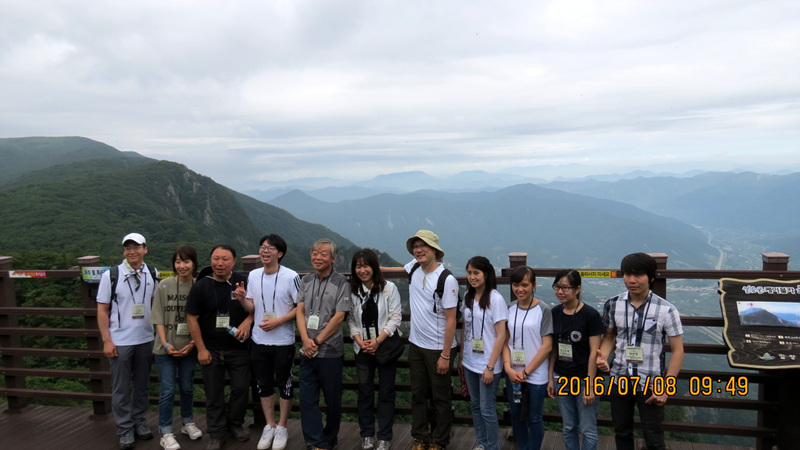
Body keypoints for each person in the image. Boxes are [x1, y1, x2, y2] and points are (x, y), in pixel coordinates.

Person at [596, 253, 684, 450]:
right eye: (627, 274)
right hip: (619, 378)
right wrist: (603, 356)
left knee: (653, 436)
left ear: (651, 277)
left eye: (638, 275)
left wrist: (667, 388)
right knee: (621, 432)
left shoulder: (667, 310)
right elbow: (609, 336)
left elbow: (678, 351)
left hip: (651, 382)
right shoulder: (613, 304)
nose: (632, 280)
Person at [186, 245, 254, 450]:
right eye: (216, 258)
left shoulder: (243, 281)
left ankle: (235, 423)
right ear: (210, 260)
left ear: (233, 262)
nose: (220, 263)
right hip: (211, 348)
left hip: (238, 347)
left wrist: (248, 320)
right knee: (213, 392)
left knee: (241, 388)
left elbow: (257, 307)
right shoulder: (201, 286)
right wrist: (201, 349)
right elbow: (191, 318)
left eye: (225, 259)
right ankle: (216, 432)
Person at [96, 232, 157, 449]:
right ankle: (125, 428)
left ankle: (139, 421)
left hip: (145, 338)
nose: (132, 251)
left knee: (142, 385)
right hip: (120, 340)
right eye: (128, 248)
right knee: (121, 388)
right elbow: (102, 309)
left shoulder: (152, 273)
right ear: (124, 251)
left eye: (136, 247)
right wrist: (107, 341)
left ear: (144, 249)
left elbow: (153, 303)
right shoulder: (111, 275)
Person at [241, 234, 301, 450]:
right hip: (259, 340)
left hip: (283, 341)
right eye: (262, 247)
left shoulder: (291, 276)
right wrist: (241, 299)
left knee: (285, 384)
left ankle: (282, 426)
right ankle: (269, 425)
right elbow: (252, 307)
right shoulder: (253, 275)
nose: (265, 251)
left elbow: (301, 307)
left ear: (280, 253)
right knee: (263, 384)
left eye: (270, 248)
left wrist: (279, 321)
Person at [404, 229, 459, 450]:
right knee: (417, 393)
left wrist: (446, 355)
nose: (418, 250)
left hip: (438, 348)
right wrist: (367, 268)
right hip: (416, 344)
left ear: (435, 250)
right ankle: (419, 437)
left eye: (423, 246)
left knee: (440, 397)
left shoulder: (447, 279)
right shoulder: (414, 268)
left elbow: (452, 319)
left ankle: (439, 440)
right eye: (415, 247)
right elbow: (393, 269)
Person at [296, 238, 351, 450]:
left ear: (333, 259)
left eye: (323, 254)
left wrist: (317, 341)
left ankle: (329, 438)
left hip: (330, 350)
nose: (317, 257)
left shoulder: (341, 282)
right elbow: (300, 310)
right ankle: (316, 442)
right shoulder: (306, 280)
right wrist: (305, 340)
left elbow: (339, 316)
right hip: (307, 350)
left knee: (332, 400)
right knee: (307, 399)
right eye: (315, 253)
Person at [348, 249, 403, 450]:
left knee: (386, 393)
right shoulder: (353, 291)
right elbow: (351, 320)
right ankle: (367, 435)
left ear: (374, 267)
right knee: (364, 392)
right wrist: (361, 342)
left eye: (366, 266)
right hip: (362, 349)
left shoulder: (389, 288)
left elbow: (395, 317)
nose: (362, 270)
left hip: (385, 349)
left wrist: (377, 341)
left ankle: (384, 437)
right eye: (358, 266)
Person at [150, 245, 203, 450]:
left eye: (186, 261)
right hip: (165, 349)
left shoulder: (199, 287)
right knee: (168, 390)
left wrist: (192, 344)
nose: (182, 266)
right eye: (178, 261)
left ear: (194, 264)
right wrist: (165, 344)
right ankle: (165, 431)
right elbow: (158, 319)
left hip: (189, 348)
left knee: (187, 387)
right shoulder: (164, 285)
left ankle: (187, 422)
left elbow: (203, 320)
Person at [546, 270, 604, 450]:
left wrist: (590, 385)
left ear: (577, 289)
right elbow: (553, 349)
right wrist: (551, 377)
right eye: (557, 287)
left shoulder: (590, 315)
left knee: (588, 428)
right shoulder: (555, 312)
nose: (560, 291)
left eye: (565, 288)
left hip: (584, 379)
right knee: (569, 427)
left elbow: (594, 352)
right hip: (561, 377)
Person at [458, 256, 508, 450]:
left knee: (487, 410)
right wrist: (462, 356)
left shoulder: (496, 299)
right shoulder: (468, 296)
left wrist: (490, 367)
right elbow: (466, 327)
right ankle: (482, 443)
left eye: (476, 273)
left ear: (486, 274)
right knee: (476, 406)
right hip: (470, 361)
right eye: (469, 272)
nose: (472, 277)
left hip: (488, 363)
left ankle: (492, 446)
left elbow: (501, 335)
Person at [502, 266, 552, 450]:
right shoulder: (509, 308)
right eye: (516, 285)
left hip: (536, 374)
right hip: (513, 373)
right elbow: (505, 341)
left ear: (534, 285)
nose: (519, 289)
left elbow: (547, 346)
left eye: (525, 285)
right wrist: (508, 368)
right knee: (516, 415)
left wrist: (526, 372)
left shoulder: (543, 309)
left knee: (534, 417)